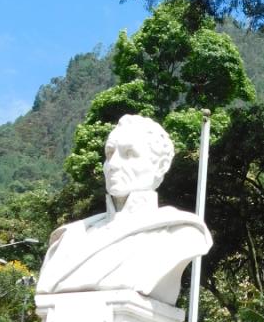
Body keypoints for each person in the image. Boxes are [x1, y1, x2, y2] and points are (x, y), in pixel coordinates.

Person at [36, 114, 211, 306]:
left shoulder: (181, 234)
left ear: (161, 165)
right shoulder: (70, 238)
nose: (113, 165)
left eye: (129, 154)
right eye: (109, 154)